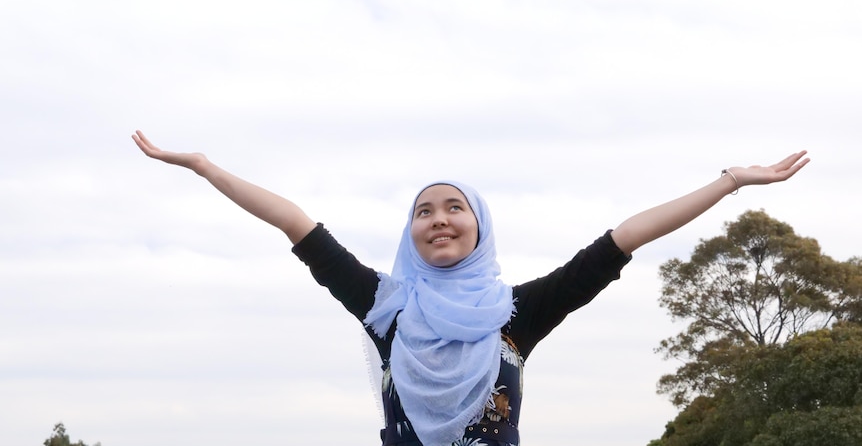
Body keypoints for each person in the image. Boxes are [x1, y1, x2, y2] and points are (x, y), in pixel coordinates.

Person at [131, 130, 809, 446]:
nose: (439, 219)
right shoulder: (386, 307)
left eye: (454, 206)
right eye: (423, 210)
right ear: (411, 231)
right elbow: (296, 223)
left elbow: (624, 237)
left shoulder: (518, 312)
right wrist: (205, 167)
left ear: (480, 225)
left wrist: (728, 181)